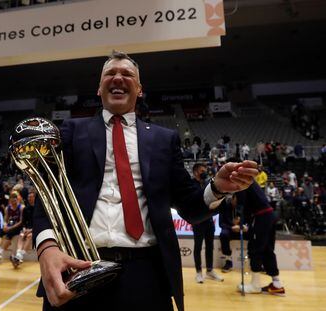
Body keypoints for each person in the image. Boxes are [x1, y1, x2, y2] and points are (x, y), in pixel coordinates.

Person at [33, 51, 258, 311]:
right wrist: (47, 247)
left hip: (147, 274)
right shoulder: (70, 131)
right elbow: (47, 192)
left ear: (139, 90)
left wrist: (217, 188)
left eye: (127, 74)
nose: (118, 77)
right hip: (78, 266)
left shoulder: (164, 139)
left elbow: (190, 206)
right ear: (99, 88)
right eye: (110, 74)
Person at [235, 183, 285, 295]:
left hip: (261, 216)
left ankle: (255, 285)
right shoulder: (250, 181)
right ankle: (277, 284)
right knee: (267, 249)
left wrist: (241, 219)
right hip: (269, 214)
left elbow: (242, 205)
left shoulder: (241, 183)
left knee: (255, 249)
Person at [191, 163, 223, 283]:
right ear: (195, 172)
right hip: (198, 221)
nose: (204, 172)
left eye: (205, 170)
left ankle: (210, 271)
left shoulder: (207, 183)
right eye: (202, 170)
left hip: (209, 220)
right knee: (197, 246)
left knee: (210, 246)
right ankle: (198, 272)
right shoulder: (191, 184)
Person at [0, 191, 24, 263]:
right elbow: (5, 219)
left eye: (15, 200)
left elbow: (21, 222)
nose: (13, 202)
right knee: (0, 232)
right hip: (9, 226)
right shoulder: (7, 208)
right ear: (10, 200)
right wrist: (4, 225)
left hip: (18, 227)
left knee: (9, 234)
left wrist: (10, 228)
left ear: (17, 200)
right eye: (12, 200)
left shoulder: (21, 207)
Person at [218, 194, 248, 273]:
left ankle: (257, 262)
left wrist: (243, 226)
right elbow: (221, 224)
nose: (237, 203)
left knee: (254, 233)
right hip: (229, 229)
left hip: (241, 229)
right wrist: (231, 227)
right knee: (223, 234)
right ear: (232, 199)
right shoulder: (224, 207)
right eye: (236, 201)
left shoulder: (242, 207)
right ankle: (228, 262)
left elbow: (247, 220)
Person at [10, 191, 35, 268]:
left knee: (29, 236)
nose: (29, 199)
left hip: (35, 229)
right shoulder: (26, 208)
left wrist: (31, 230)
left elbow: (39, 222)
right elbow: (23, 222)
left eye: (31, 197)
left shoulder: (38, 209)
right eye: (28, 197)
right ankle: (18, 256)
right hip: (27, 228)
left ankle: (19, 257)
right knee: (21, 235)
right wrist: (24, 229)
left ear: (34, 198)